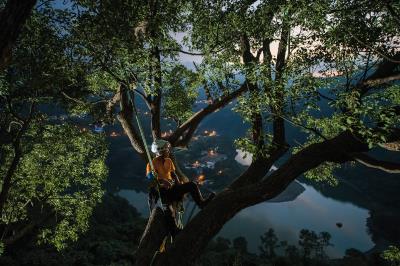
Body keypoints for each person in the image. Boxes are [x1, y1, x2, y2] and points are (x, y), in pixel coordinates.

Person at [146, 139, 215, 236]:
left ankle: (202, 203)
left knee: (192, 185)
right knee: (168, 211)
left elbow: (173, 174)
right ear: (160, 151)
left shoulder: (168, 161)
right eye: (166, 150)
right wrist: (162, 181)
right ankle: (174, 231)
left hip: (171, 189)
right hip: (160, 193)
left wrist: (180, 188)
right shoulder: (152, 164)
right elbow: (150, 178)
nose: (168, 151)